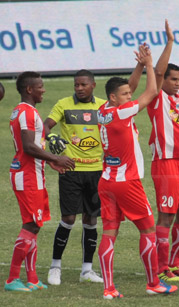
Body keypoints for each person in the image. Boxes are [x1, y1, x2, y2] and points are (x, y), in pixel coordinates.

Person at [96, 44, 177, 299]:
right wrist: (151, 64)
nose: (130, 96)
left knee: (110, 232)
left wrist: (139, 66)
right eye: (125, 94)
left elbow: (127, 90)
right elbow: (152, 91)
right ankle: (153, 283)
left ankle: (109, 288)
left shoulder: (104, 111)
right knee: (148, 229)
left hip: (107, 181)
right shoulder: (122, 112)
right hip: (127, 182)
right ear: (113, 98)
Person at [5, 71, 75, 292]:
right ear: (29, 89)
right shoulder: (26, 112)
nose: (44, 89)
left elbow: (34, 145)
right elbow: (28, 146)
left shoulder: (25, 111)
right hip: (27, 176)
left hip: (32, 173)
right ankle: (12, 279)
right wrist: (56, 157)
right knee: (31, 224)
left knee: (35, 225)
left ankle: (32, 278)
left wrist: (49, 163)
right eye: (40, 86)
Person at [146, 20, 179, 282]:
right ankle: (161, 267)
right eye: (174, 79)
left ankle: (176, 262)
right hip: (165, 163)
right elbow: (156, 72)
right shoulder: (156, 97)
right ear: (164, 80)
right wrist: (169, 42)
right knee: (166, 216)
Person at [44, 69, 106, 285]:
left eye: (83, 85)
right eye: (76, 85)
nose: (79, 88)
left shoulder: (103, 106)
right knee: (69, 218)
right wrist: (51, 137)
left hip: (97, 170)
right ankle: (55, 267)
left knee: (91, 220)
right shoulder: (63, 104)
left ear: (93, 85)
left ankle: (86, 270)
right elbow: (45, 126)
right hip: (70, 169)